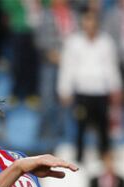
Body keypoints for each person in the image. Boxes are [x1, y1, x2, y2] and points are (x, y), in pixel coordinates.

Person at [57, 8, 122, 162]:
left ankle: (104, 159)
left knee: (103, 128)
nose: (89, 24)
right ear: (82, 22)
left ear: (97, 23)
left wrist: (116, 88)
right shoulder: (73, 42)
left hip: (101, 92)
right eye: (87, 20)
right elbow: (68, 68)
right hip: (82, 92)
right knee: (80, 126)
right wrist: (64, 89)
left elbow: (111, 67)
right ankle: (79, 159)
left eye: (92, 20)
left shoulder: (106, 42)